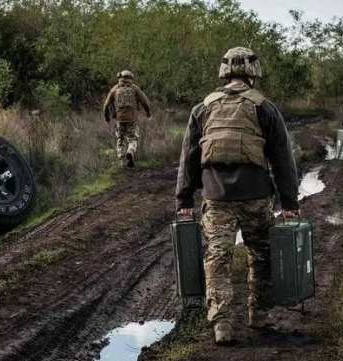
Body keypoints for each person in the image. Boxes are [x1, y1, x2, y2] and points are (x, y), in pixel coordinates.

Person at [175, 47, 300, 345]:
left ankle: (222, 326)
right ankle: (258, 316)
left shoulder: (202, 108)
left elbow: (189, 157)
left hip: (216, 199)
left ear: (224, 72)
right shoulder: (264, 107)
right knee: (262, 257)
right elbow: (283, 158)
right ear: (253, 73)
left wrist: (183, 200)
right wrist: (289, 203)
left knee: (217, 260)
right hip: (256, 197)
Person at [102, 70, 152, 168]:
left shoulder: (115, 89)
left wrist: (107, 118)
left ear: (120, 78)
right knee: (133, 138)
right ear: (130, 78)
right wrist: (148, 113)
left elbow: (106, 105)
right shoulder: (135, 89)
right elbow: (145, 102)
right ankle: (130, 151)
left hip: (119, 119)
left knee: (120, 139)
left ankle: (121, 161)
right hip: (132, 119)